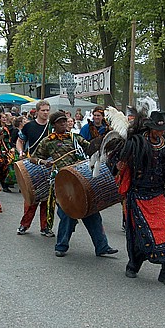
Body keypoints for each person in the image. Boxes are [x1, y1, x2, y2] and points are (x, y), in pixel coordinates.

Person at [30, 110, 118, 258]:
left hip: (81, 180)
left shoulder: (75, 138)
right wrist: (43, 162)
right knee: (67, 214)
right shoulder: (48, 141)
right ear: (54, 125)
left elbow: (91, 147)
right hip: (62, 183)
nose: (64, 124)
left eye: (65, 121)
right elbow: (33, 158)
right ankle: (61, 246)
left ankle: (102, 247)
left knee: (92, 212)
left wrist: (102, 143)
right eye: (60, 122)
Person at [115, 111, 165, 287]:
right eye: (157, 130)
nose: (160, 133)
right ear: (150, 128)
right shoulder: (135, 142)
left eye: (162, 130)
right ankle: (133, 265)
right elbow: (121, 162)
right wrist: (120, 166)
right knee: (138, 233)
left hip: (157, 195)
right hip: (137, 194)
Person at [16, 100, 54, 236]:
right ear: (37, 111)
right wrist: (20, 152)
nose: (45, 112)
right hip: (33, 164)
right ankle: (24, 225)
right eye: (43, 110)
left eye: (47, 110)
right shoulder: (29, 126)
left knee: (48, 199)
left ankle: (45, 227)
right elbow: (20, 141)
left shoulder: (53, 127)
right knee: (31, 197)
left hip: (49, 165)